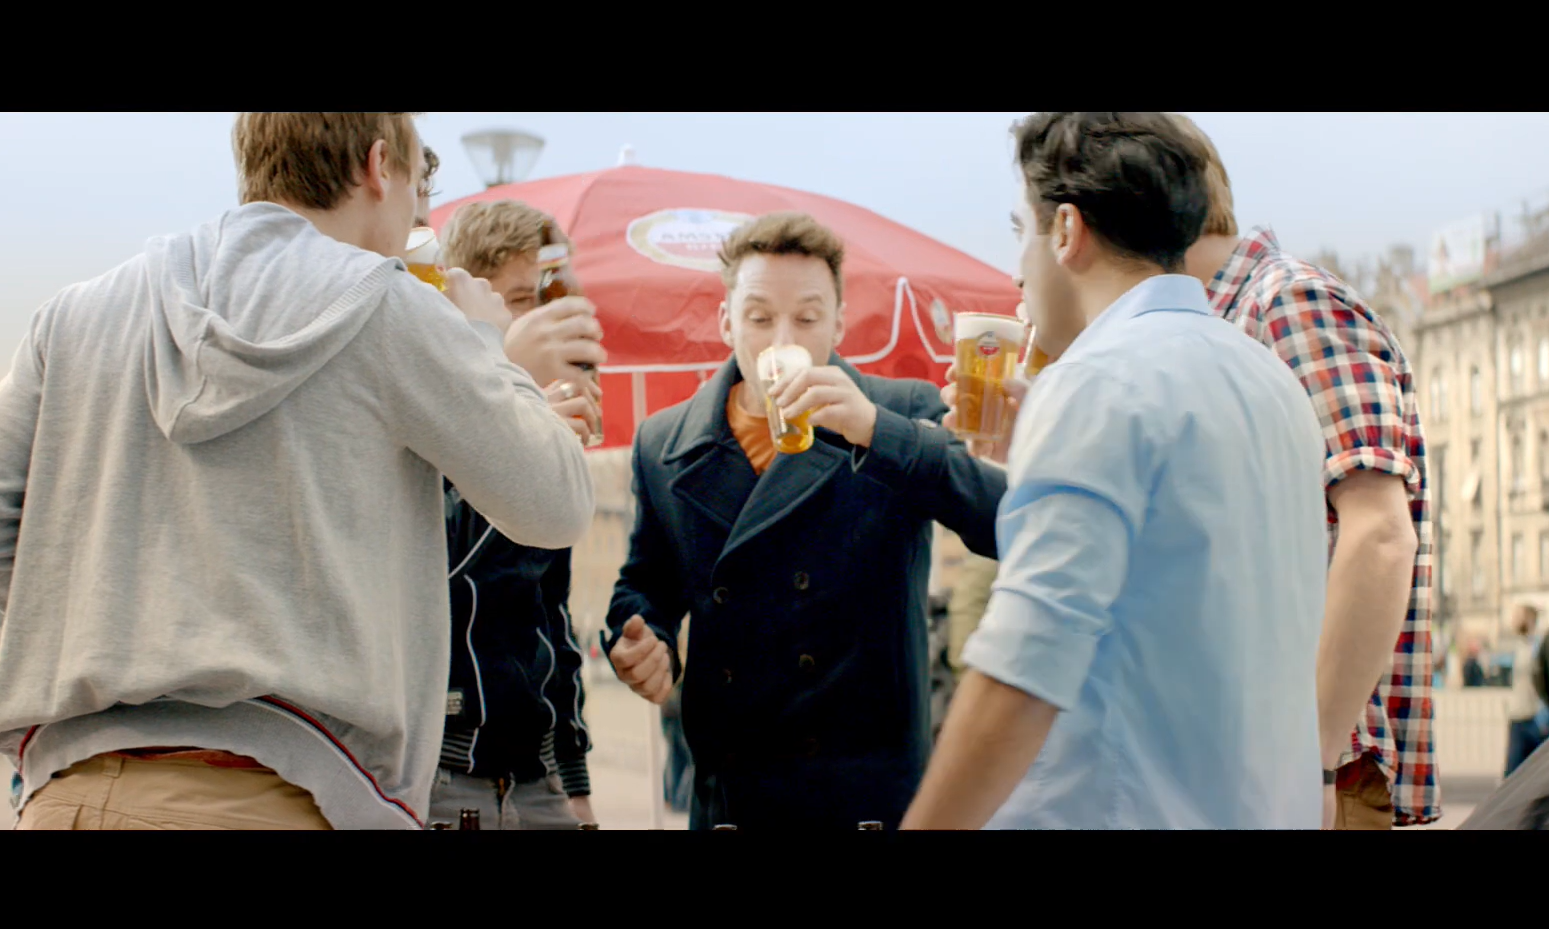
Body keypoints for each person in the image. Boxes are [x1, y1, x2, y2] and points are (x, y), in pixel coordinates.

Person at [0, 113, 594, 830]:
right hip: (292, 792)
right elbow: (556, 502)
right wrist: (486, 346)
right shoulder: (392, 306)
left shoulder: (70, 318)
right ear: (379, 167)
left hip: (68, 792)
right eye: (415, 191)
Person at [901, 111, 1328, 830]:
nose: (1014, 267)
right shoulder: (1269, 380)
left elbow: (1021, 672)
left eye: (1019, 231)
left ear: (1065, 232)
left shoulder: (1096, 384)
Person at [602, 211, 1006, 830]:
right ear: (726, 320)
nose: (781, 339)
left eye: (808, 318)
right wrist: (642, 638)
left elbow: (1003, 519)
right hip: (732, 794)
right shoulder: (665, 441)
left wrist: (876, 431)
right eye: (760, 318)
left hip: (866, 793)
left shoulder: (897, 412)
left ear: (839, 324)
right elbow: (646, 582)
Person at [1168, 113, 1438, 830]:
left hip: (1305, 771)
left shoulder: (1280, 301)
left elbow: (1380, 533)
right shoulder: (1223, 319)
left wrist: (1310, 756)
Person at [427, 198, 607, 829]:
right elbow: (437, 571)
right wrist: (508, 389)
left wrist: (574, 777)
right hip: (438, 772)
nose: (546, 320)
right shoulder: (426, 402)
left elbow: (548, 616)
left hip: (535, 777)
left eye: (551, 298)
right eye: (523, 300)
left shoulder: (546, 437)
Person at [1505, 604, 1548, 778]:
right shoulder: (1523, 647)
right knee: (1516, 774)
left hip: (1533, 716)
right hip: (1524, 715)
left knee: (1531, 775)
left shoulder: (1533, 646)